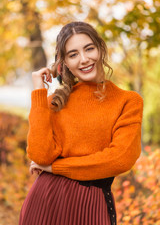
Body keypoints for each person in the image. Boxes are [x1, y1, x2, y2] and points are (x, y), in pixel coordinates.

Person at [19, 21, 143, 225]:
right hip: (45, 203)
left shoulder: (128, 101)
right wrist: (39, 92)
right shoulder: (54, 103)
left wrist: (56, 167)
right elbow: (40, 155)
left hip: (91, 205)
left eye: (89, 49)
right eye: (73, 54)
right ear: (65, 62)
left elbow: (120, 159)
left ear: (100, 49)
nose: (84, 59)